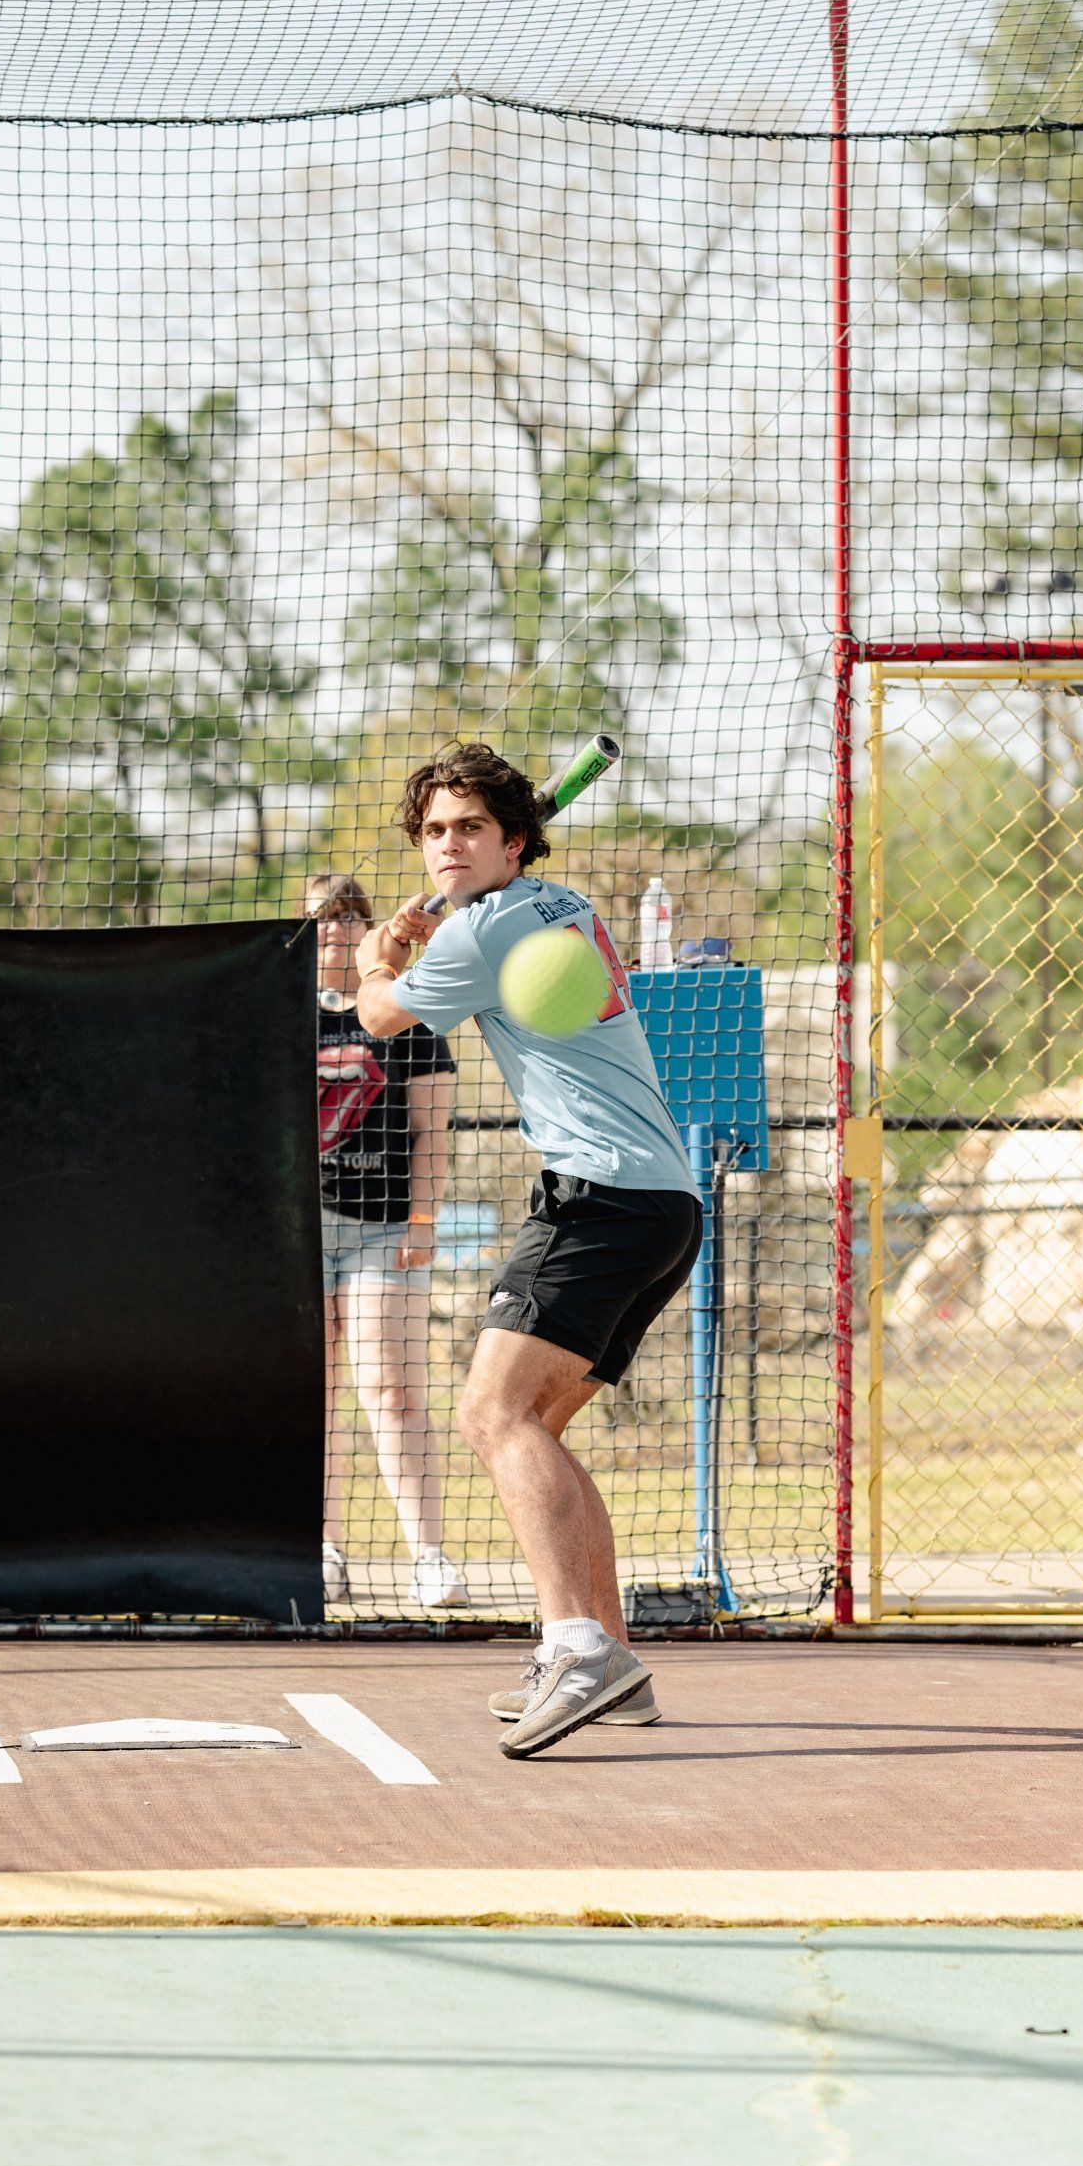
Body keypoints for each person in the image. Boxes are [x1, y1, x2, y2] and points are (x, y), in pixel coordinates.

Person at [352, 744, 700, 1756]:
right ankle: (614, 1664)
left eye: (470, 827)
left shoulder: (489, 924)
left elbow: (381, 1019)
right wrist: (441, 930)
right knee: (537, 1422)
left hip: (599, 1199)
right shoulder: (550, 904)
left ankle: (577, 1647)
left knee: (490, 1411)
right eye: (434, 831)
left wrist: (385, 960)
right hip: (659, 1201)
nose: (448, 843)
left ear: (513, 839)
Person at [307, 871, 466, 1612]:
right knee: (315, 1394)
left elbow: (432, 1130)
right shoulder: (275, 1015)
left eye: (350, 918)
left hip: (384, 1227)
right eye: (323, 919)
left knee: (393, 1391)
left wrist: (425, 1221)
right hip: (301, 1231)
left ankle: (428, 1558)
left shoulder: (405, 1010)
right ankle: (322, 1551)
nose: (337, 930)